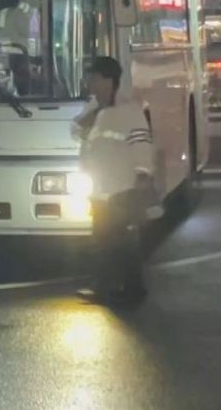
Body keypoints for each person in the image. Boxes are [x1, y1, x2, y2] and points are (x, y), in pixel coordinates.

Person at [71, 56, 156, 306]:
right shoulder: (93, 110)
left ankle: (105, 287)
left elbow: (141, 144)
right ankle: (132, 287)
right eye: (90, 77)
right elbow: (75, 131)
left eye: (95, 78)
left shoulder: (128, 111)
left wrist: (142, 175)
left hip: (121, 188)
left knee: (108, 240)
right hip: (100, 187)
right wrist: (89, 117)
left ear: (110, 81)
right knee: (117, 241)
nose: (91, 82)